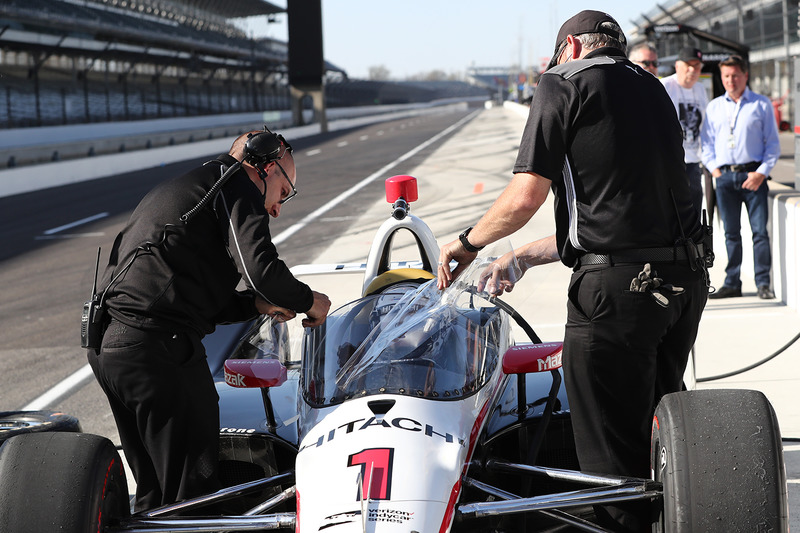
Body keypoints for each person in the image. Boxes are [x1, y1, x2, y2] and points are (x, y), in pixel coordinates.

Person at [438, 10, 708, 532]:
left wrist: (468, 242)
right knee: (661, 446)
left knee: (609, 469)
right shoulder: (653, 89)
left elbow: (524, 198)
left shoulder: (562, 82)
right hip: (681, 287)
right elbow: (612, 220)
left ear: (569, 49)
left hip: (616, 299)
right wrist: (520, 257)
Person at [88, 128, 331, 512]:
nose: (277, 208)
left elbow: (191, 298)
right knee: (193, 491)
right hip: (157, 348)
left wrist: (254, 307)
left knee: (155, 494)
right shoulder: (234, 185)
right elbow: (261, 271)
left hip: (111, 349)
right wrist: (309, 301)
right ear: (266, 166)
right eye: (284, 192)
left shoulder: (190, 188)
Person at [700, 55, 780, 300]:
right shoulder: (714, 107)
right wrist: (715, 170)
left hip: (753, 176)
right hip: (724, 178)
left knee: (759, 233)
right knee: (731, 234)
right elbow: (706, 144)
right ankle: (732, 282)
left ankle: (763, 284)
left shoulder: (761, 104)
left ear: (745, 76)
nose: (730, 80)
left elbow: (773, 146)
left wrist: (761, 173)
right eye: (726, 76)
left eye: (735, 75)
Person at [661, 46, 707, 217]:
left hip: (694, 162)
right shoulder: (665, 86)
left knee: (694, 214)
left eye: (697, 66)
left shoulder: (700, 89)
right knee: (672, 214)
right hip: (671, 162)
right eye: (689, 65)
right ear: (677, 65)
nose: (693, 70)